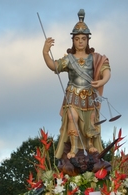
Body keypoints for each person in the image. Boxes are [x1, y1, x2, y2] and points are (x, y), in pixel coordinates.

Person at [42, 9, 110, 161]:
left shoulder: (94, 58)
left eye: (83, 38)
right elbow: (54, 66)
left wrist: (102, 81)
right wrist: (45, 53)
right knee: (72, 117)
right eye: (77, 38)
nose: (80, 41)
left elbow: (106, 69)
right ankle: (73, 146)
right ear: (73, 40)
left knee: (91, 119)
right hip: (73, 94)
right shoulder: (69, 59)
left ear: (88, 40)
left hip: (89, 95)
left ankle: (91, 144)